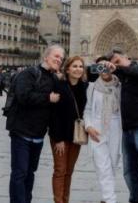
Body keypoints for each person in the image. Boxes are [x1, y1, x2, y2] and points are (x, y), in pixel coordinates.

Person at [6, 45, 64, 203]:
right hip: (21, 132)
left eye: (61, 58)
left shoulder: (53, 79)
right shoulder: (29, 73)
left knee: (30, 172)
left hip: (38, 135)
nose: (59, 59)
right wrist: (47, 98)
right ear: (46, 57)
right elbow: (23, 96)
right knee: (20, 173)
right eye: (56, 56)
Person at [105, 47, 138, 203]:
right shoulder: (119, 76)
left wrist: (118, 68)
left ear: (126, 57)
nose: (115, 66)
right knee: (128, 170)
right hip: (126, 129)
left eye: (118, 61)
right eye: (113, 64)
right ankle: (134, 199)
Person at [48, 56, 88, 203]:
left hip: (76, 135)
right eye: (75, 66)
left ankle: (66, 200)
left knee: (69, 172)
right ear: (67, 69)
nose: (78, 69)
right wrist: (58, 139)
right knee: (60, 170)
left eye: (80, 66)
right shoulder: (59, 85)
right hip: (60, 135)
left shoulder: (85, 87)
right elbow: (54, 114)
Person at [84, 56, 122, 203]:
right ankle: (110, 199)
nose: (103, 70)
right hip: (97, 127)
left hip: (116, 127)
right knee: (102, 165)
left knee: (112, 164)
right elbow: (87, 110)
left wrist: (116, 70)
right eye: (100, 67)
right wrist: (89, 126)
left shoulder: (119, 86)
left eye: (106, 66)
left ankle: (107, 197)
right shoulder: (92, 87)